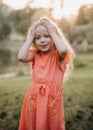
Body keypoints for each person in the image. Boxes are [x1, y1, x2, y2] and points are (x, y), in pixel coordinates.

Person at [18, 17, 74, 130]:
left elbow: (63, 50)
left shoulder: (59, 56)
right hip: (34, 97)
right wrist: (30, 37)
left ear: (54, 37)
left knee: (51, 125)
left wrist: (53, 31)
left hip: (52, 101)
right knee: (33, 124)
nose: (42, 40)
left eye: (46, 36)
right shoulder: (35, 55)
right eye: (37, 38)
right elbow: (21, 57)